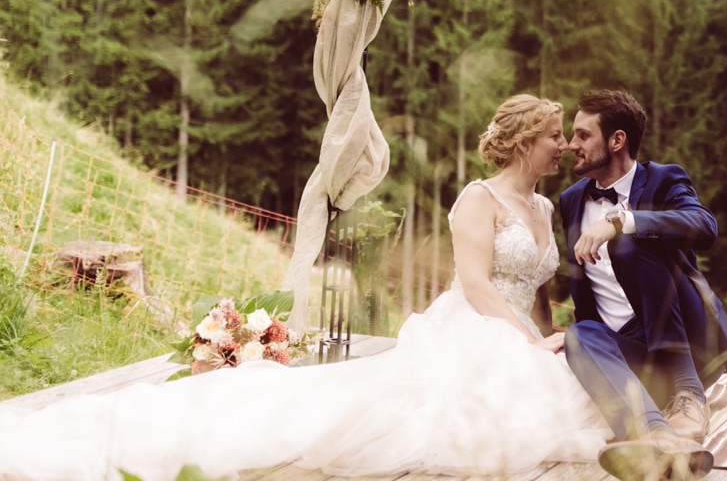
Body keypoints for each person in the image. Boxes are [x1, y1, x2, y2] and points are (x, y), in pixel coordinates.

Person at [0, 94, 612, 481]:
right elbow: (478, 286)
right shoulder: (479, 200)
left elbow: (536, 286)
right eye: (557, 135)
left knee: (560, 402)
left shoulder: (541, 206)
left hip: (522, 332)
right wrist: (526, 345)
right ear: (527, 140)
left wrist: (547, 334)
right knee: (414, 418)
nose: (564, 146)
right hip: (476, 328)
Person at [560, 89, 727, 481]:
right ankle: (655, 435)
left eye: (582, 135)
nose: (570, 144)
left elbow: (704, 226)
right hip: (632, 357)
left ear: (617, 140)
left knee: (628, 243)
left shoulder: (664, 179)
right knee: (580, 333)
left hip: (685, 339)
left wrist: (621, 222)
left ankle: (688, 393)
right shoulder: (572, 200)